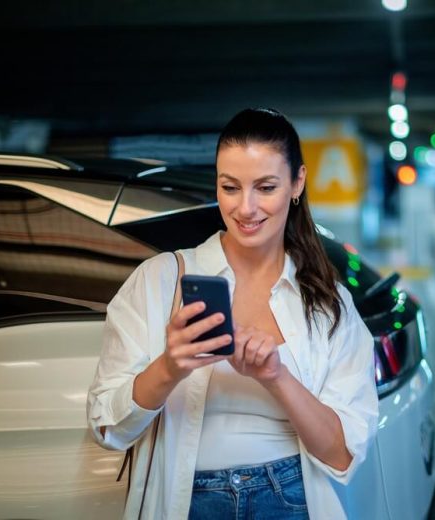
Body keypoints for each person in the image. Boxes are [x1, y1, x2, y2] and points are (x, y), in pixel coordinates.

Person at [87, 107, 378, 519]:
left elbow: (342, 453)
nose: (246, 208)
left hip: (291, 499)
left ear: (297, 183)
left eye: (265, 187)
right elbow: (107, 427)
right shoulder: (159, 281)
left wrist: (276, 377)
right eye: (230, 187)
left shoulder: (328, 303)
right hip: (187, 502)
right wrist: (171, 365)